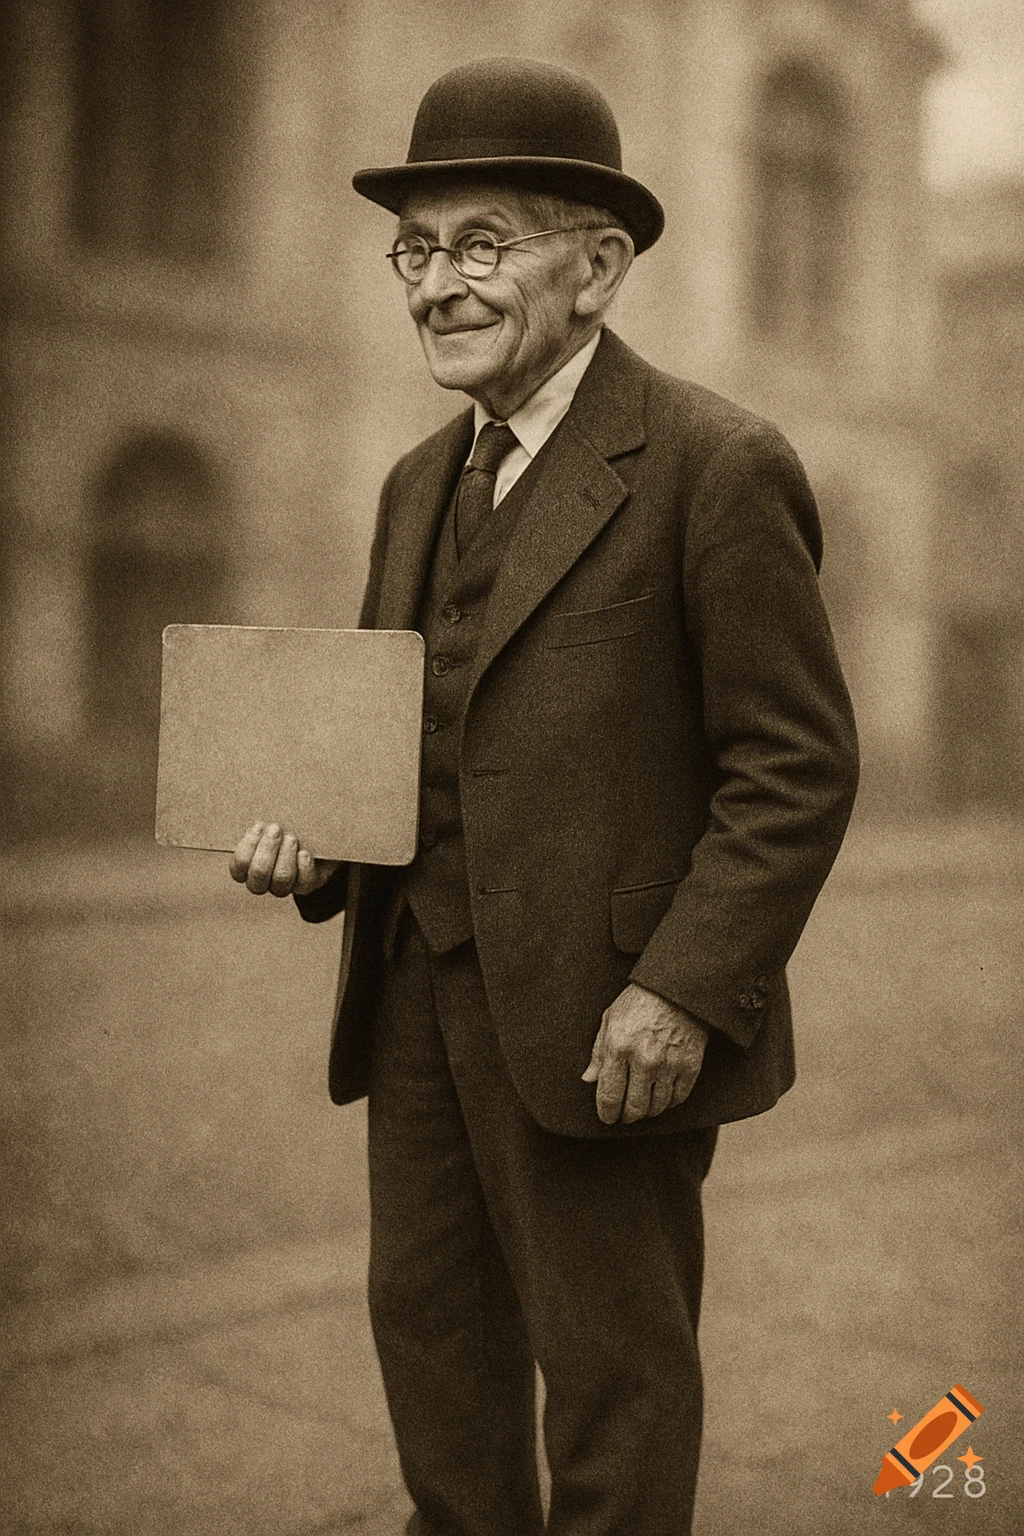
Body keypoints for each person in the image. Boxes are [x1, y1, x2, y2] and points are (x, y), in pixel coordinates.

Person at [229, 57, 859, 1536]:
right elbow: (406, 732)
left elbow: (797, 764)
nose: (436, 287)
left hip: (606, 1027)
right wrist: (307, 845)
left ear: (598, 270)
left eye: (480, 245)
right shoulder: (410, 481)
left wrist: (684, 994)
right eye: (418, 250)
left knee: (613, 1385)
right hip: (411, 1001)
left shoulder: (715, 464)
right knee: (433, 1354)